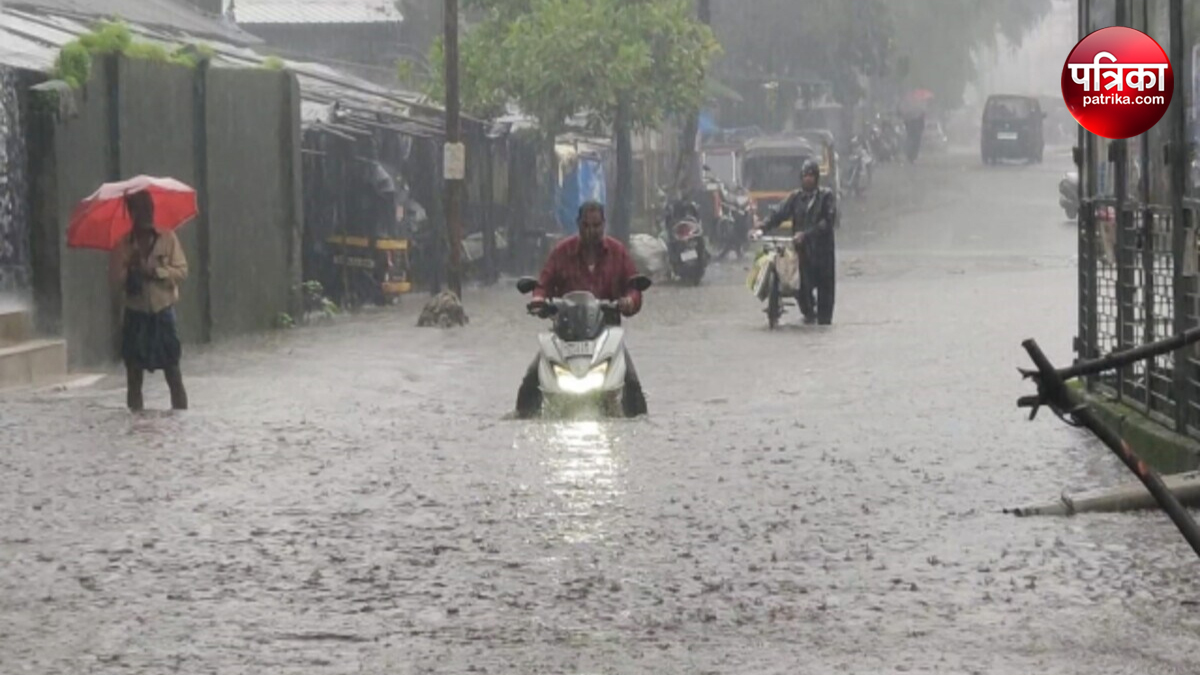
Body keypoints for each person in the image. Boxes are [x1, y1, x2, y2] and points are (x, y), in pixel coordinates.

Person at [516, 201, 647, 417]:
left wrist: (629, 301)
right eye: (586, 225)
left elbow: (634, 287)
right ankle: (520, 418)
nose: (591, 231)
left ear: (604, 225)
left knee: (632, 382)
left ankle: (642, 425)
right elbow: (543, 284)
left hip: (607, 338)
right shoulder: (561, 252)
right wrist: (539, 301)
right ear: (578, 225)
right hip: (564, 335)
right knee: (531, 379)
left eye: (596, 226)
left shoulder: (618, 253)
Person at [108, 190, 189, 411]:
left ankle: (181, 424)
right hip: (136, 315)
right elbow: (115, 282)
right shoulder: (123, 245)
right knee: (134, 378)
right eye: (141, 209)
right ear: (132, 213)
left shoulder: (168, 237)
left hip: (163, 313)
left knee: (173, 373)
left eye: (149, 209)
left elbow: (182, 271)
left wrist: (155, 271)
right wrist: (130, 266)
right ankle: (136, 424)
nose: (147, 214)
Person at [751, 158, 837, 325]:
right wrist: (762, 227)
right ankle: (809, 317)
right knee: (800, 290)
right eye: (805, 175)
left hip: (823, 255)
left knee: (825, 313)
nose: (808, 179)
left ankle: (823, 328)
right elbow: (778, 214)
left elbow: (827, 222)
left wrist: (806, 234)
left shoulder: (826, 196)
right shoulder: (795, 198)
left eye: (811, 175)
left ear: (817, 178)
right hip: (802, 254)